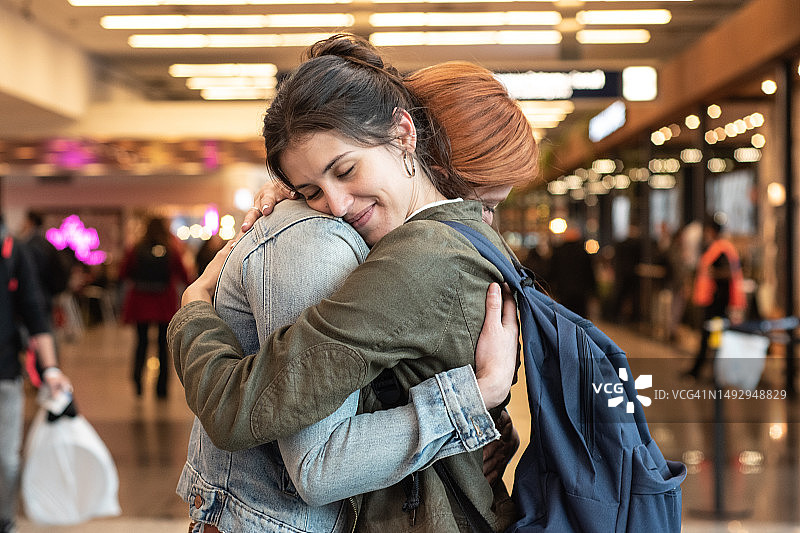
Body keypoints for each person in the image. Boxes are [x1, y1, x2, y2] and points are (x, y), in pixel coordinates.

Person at [170, 35, 539, 532]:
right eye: (311, 190)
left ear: (405, 135)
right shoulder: (426, 243)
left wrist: (192, 308)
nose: (336, 206)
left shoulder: (416, 258)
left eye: (345, 170)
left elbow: (252, 420)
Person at [1, 216, 73, 533]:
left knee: (6, 459)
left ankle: (5, 518)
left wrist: (51, 369)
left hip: (5, 373)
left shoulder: (13, 251)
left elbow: (34, 311)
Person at [119, 217, 190, 397]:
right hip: (163, 302)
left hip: (141, 301)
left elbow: (123, 272)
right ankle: (162, 388)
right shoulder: (171, 248)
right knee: (162, 346)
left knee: (141, 343)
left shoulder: (136, 248)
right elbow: (183, 274)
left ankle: (138, 382)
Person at [685, 215, 746, 380]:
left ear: (712, 231)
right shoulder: (718, 247)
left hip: (717, 302)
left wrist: (713, 273)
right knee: (712, 336)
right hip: (712, 300)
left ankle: (707, 372)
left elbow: (728, 273)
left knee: (713, 336)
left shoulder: (721, 249)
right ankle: (708, 371)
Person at [548, 224, 596, 317]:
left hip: (564, 291)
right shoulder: (582, 253)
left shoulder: (559, 252)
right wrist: (592, 289)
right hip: (581, 292)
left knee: (566, 316)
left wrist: (552, 288)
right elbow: (589, 272)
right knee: (580, 317)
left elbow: (552, 271)